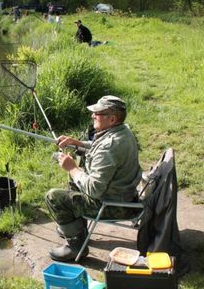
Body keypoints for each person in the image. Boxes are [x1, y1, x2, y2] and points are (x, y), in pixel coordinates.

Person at [45, 95, 142, 262]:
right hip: (125, 195)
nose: (92, 116)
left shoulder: (109, 148)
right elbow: (101, 145)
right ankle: (76, 228)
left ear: (111, 119)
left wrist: (72, 168)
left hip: (112, 206)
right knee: (75, 179)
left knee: (54, 197)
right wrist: (79, 144)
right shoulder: (122, 131)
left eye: (97, 113)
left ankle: (76, 246)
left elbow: (93, 190)